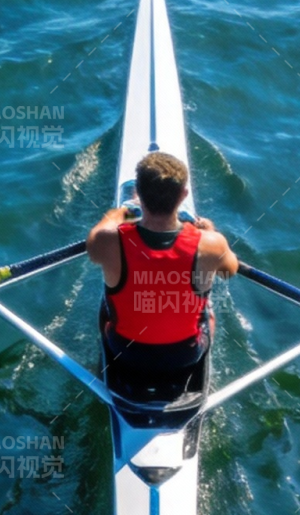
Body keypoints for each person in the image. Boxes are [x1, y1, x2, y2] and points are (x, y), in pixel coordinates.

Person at [87, 151, 239, 373]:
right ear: (183, 195)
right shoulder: (211, 243)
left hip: (126, 352)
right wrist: (211, 231)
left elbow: (93, 245)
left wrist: (119, 213)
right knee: (208, 306)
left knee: (107, 295)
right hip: (185, 355)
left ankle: (104, 363)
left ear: (138, 192)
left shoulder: (108, 241)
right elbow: (229, 270)